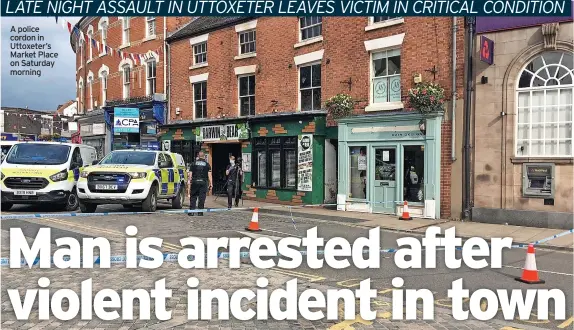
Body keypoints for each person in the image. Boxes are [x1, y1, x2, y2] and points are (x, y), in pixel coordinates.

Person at [187, 151, 212, 216]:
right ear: (204, 156)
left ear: (198, 156)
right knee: (202, 197)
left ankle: (191, 211)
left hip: (195, 182)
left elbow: (190, 174)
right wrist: (211, 183)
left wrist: (189, 181)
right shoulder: (207, 164)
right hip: (203, 182)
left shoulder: (193, 163)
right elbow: (209, 175)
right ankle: (200, 212)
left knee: (193, 196)